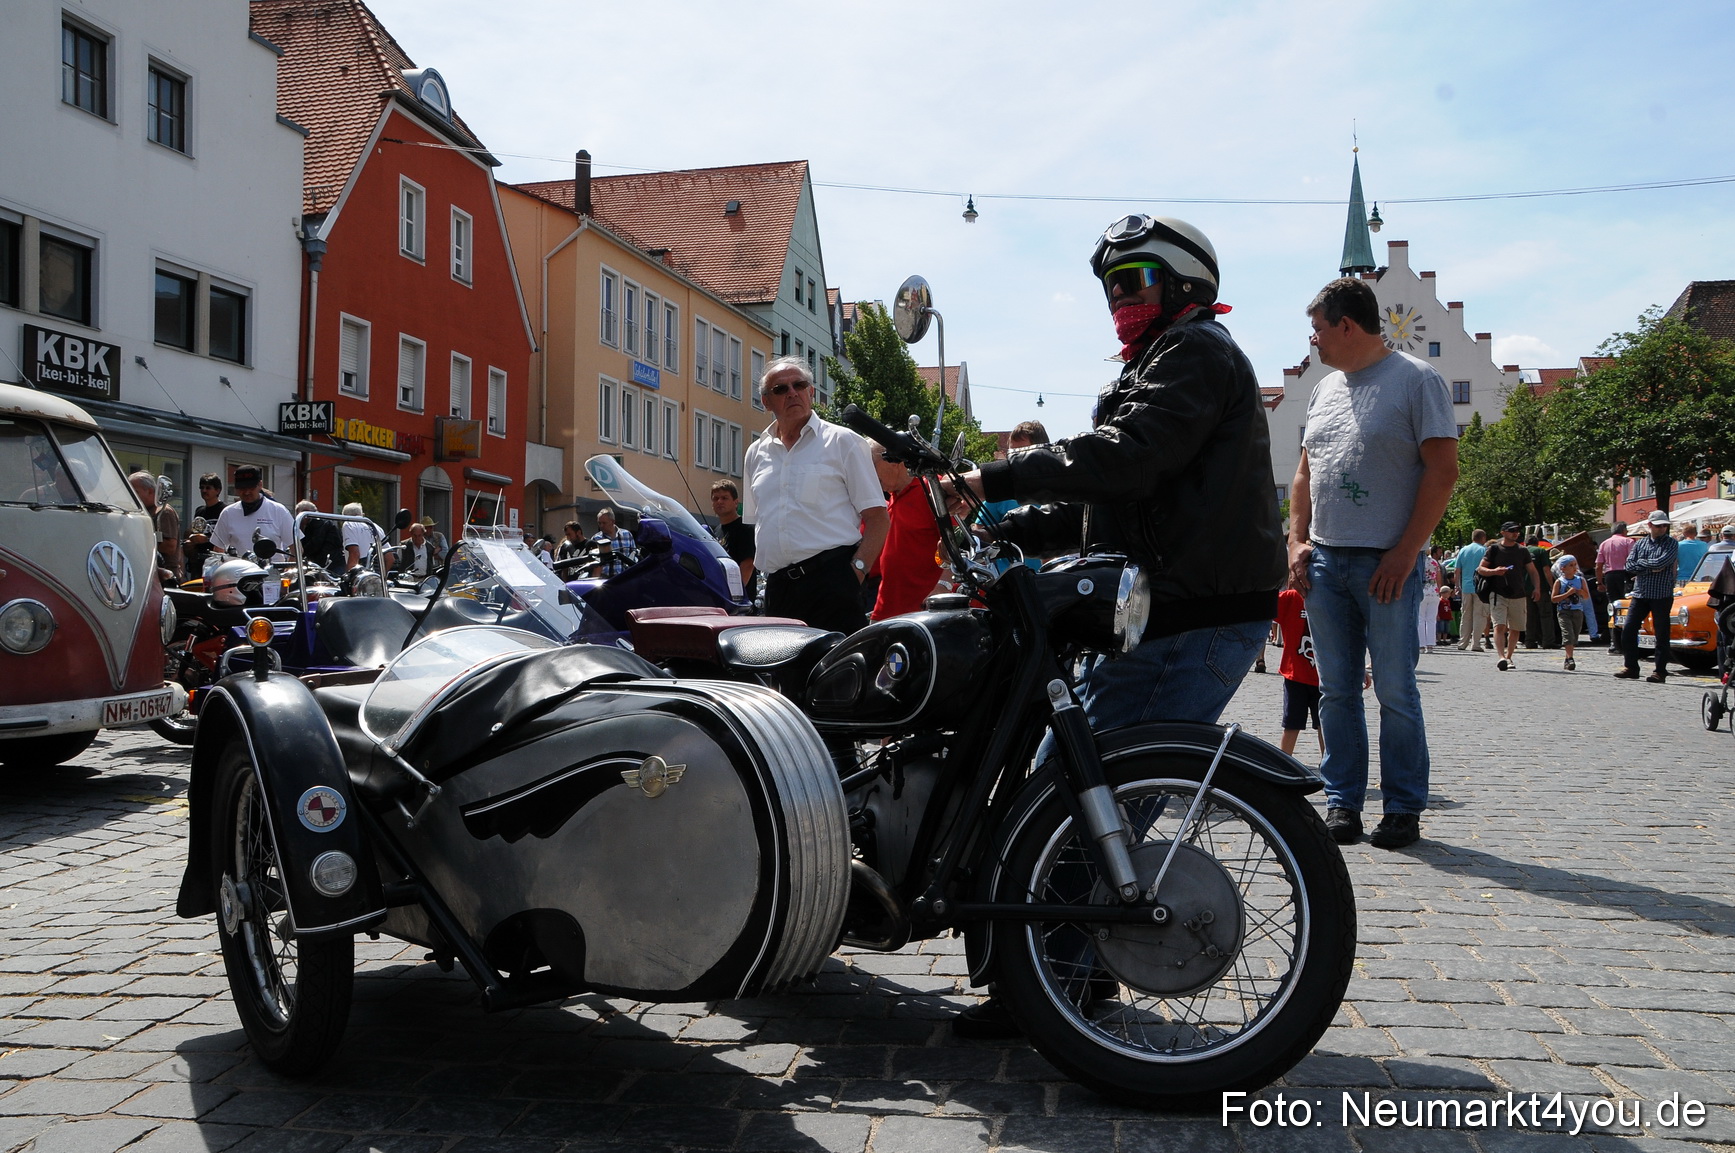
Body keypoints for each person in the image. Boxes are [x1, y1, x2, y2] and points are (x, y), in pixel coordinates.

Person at [945, 213, 1283, 1039]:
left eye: (1132, 282)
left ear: (1183, 283)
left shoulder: (1195, 354)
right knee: (1060, 788)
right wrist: (1011, 527)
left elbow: (1124, 456)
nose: (1117, 299)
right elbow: (1116, 499)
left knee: (1074, 801)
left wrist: (990, 474)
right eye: (1109, 286)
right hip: (1158, 614)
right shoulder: (1165, 360)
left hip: (1185, 617)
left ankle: (1048, 989)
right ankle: (1068, 979)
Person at [1288, 276, 1457, 851]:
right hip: (1326, 563)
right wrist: (1296, 541)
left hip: (1388, 565)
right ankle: (1343, 804)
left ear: (1346, 325)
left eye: (1317, 329)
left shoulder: (1417, 380)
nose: (1313, 341)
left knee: (1394, 691)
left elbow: (1443, 472)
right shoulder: (1322, 390)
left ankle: (1404, 809)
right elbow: (1305, 475)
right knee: (1335, 691)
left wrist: (1407, 552)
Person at [743, 356, 889, 636]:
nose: (792, 393)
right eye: (780, 389)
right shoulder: (755, 453)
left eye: (799, 384)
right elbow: (758, 520)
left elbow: (878, 518)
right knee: (785, 678)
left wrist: (855, 574)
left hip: (832, 584)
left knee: (834, 678)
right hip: (778, 590)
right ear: (766, 401)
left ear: (811, 392)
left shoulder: (843, 442)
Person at [870, 440, 941, 620]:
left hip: (923, 615)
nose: (868, 474)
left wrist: (944, 585)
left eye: (871, 466)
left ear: (894, 461)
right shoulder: (892, 496)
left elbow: (958, 545)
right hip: (885, 611)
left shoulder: (932, 488)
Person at [1616, 509, 1679, 683]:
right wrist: (1650, 567)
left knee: (1661, 633)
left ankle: (1660, 671)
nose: (1662, 529)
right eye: (1659, 526)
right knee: (1628, 629)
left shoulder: (1671, 543)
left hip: (1661, 594)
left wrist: (1642, 566)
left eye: (1665, 526)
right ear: (1650, 525)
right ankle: (1631, 667)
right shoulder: (1641, 543)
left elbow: (1663, 561)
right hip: (1640, 593)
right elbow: (1629, 565)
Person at [1479, 523, 1532, 671]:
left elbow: (1532, 570)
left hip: (1518, 593)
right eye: (1512, 531)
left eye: (1517, 531)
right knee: (1499, 625)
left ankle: (1509, 657)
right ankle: (1501, 656)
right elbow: (1481, 568)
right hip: (1498, 593)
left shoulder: (1523, 550)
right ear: (1503, 532)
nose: (1516, 533)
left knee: (1516, 628)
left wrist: (1537, 588)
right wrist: (1495, 571)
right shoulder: (1494, 549)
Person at [209, 467, 293, 559]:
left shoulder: (278, 511)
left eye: (251, 487)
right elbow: (218, 550)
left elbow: (296, 548)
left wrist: (290, 570)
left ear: (260, 485)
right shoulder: (228, 513)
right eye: (242, 488)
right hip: (239, 571)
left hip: (271, 572)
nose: (247, 492)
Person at [129, 472, 183, 582]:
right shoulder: (142, 512)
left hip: (163, 576)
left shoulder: (164, 512)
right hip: (146, 572)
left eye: (135, 492)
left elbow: (170, 547)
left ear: (150, 491)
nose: (131, 495)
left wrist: (140, 541)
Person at [709, 480, 757, 592]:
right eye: (715, 498)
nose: (719, 501)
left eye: (725, 498)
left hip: (738, 600)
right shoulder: (717, 531)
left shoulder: (746, 528)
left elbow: (748, 564)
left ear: (736, 502)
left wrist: (734, 592)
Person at [1597, 522, 1636, 654]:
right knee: (1627, 607)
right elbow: (1633, 561)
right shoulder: (1628, 542)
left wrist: (1599, 582)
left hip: (1610, 576)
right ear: (1624, 530)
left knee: (1612, 608)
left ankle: (1614, 642)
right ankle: (1627, 642)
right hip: (1625, 575)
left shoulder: (1604, 543)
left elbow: (1598, 566)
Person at [1552, 555, 1590, 671]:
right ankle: (1570, 658)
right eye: (1571, 565)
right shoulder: (1559, 582)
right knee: (1567, 634)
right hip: (1564, 611)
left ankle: (1567, 657)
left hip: (1577, 611)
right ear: (1563, 568)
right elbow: (1553, 598)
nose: (1574, 568)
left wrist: (1578, 591)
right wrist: (1567, 594)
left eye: (1575, 565)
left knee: (1574, 636)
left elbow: (1586, 596)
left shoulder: (1580, 580)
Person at [1455, 530, 1491, 651]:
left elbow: (1457, 570)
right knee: (1479, 615)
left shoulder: (1463, 550)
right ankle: (1475, 644)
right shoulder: (1484, 550)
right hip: (1480, 587)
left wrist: (1457, 586)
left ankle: (1462, 643)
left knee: (1465, 616)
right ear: (1483, 537)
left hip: (1465, 587)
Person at [1523, 536, 1559, 650]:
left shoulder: (1521, 551)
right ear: (1537, 543)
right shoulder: (1540, 551)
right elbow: (1546, 570)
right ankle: (1548, 641)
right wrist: (1552, 586)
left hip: (1525, 589)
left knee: (1529, 616)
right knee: (1546, 615)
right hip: (1541, 588)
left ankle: (1529, 641)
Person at [294, 500, 344, 572]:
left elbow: (315, 544)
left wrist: (300, 552)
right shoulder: (323, 521)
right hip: (333, 561)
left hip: (326, 563)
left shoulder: (317, 523)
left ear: (305, 512)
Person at [591, 508, 637, 577]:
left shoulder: (627, 535)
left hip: (625, 578)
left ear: (612, 522)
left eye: (604, 523)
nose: (601, 526)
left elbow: (634, 555)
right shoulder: (596, 539)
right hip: (605, 581)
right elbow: (594, 563)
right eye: (599, 523)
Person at [1418, 545, 1443, 653]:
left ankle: (1421, 645)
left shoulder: (1417, 562)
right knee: (1431, 619)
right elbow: (1438, 577)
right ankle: (1430, 645)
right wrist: (1439, 590)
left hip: (1422, 589)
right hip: (1434, 590)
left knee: (1420, 618)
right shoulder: (1434, 562)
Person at [340, 502, 378, 570]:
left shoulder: (349, 524)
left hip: (361, 570)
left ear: (344, 516)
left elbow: (354, 554)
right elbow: (390, 557)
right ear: (362, 514)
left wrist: (349, 576)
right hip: (377, 571)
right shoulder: (376, 527)